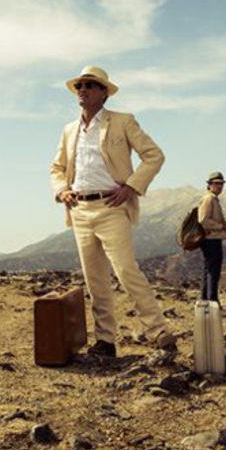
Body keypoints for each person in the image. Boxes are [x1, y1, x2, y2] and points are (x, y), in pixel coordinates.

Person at [50, 66, 177, 358]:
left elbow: (154, 155)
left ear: (104, 92)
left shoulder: (122, 121)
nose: (83, 90)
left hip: (111, 207)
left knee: (126, 270)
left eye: (90, 85)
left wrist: (131, 187)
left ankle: (158, 331)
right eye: (80, 85)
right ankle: (105, 341)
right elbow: (57, 167)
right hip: (79, 209)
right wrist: (62, 190)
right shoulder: (69, 130)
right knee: (95, 279)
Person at [197, 171, 226, 303]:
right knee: (213, 272)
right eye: (216, 184)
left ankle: (205, 300)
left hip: (210, 239)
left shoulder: (212, 198)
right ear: (210, 185)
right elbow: (203, 220)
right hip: (211, 239)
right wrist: (220, 226)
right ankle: (212, 301)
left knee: (209, 270)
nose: (219, 186)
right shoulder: (209, 199)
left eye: (221, 184)